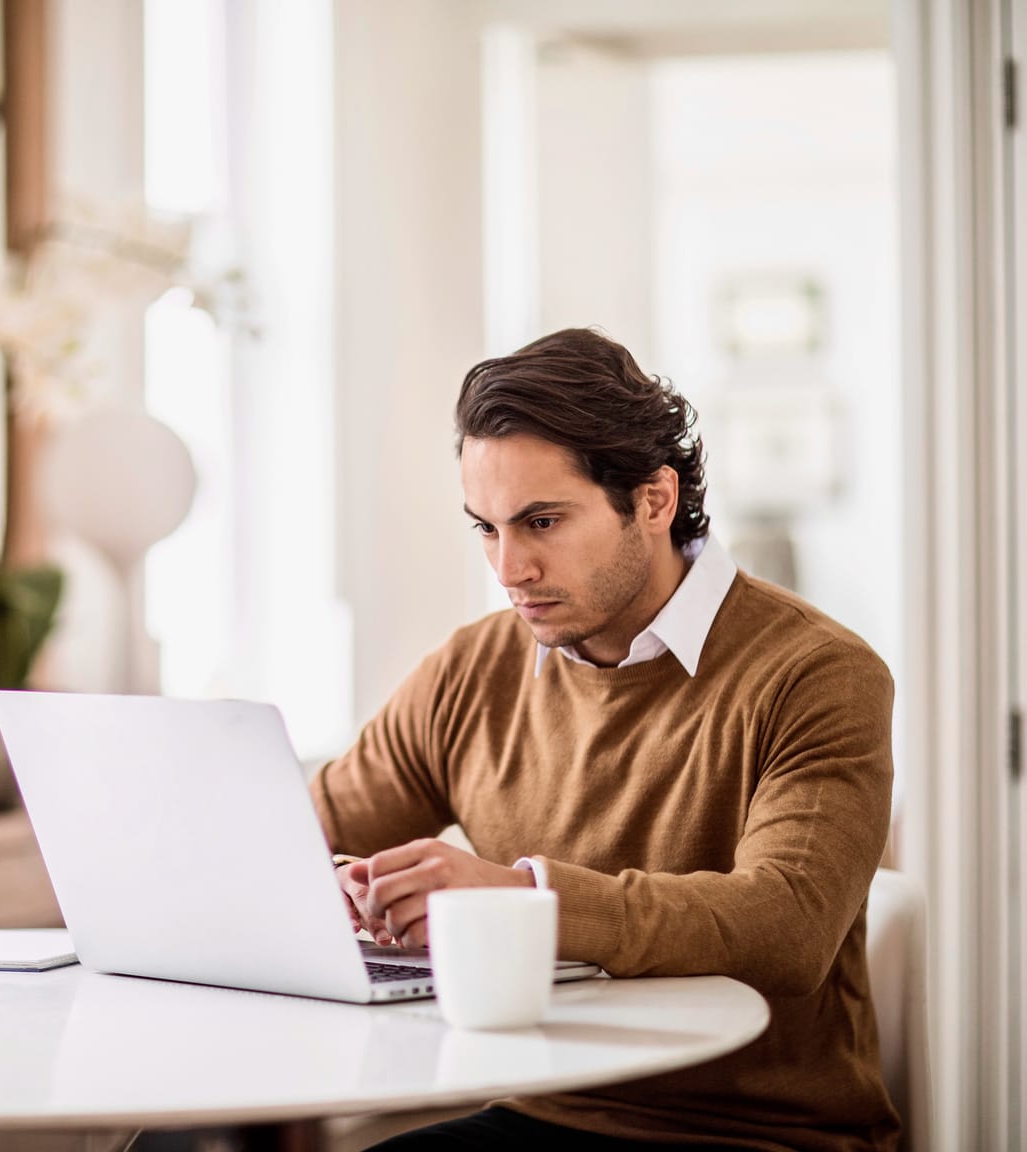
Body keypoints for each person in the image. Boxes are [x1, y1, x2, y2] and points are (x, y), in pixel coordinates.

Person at [310, 328, 897, 1151]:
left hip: (752, 1135)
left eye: (541, 521)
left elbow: (787, 926)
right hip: (538, 1109)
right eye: (486, 527)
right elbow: (311, 829)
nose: (508, 567)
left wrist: (521, 898)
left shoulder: (816, 672)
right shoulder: (473, 668)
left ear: (654, 500)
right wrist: (330, 883)